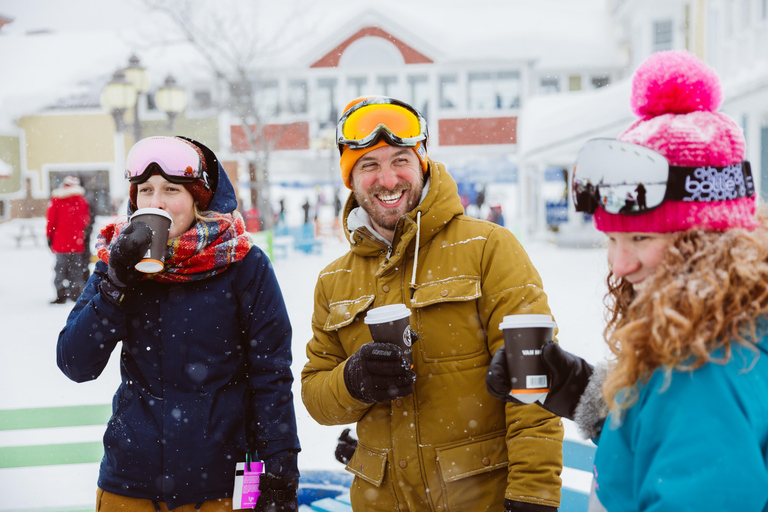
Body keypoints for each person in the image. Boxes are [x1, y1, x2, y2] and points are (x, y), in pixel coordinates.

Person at [486, 51, 768, 510]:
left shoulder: (703, 374)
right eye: (611, 240)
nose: (619, 264)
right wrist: (579, 388)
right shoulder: (726, 326)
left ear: (707, 238)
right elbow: (665, 437)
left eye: (640, 237)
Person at [301, 96, 563, 511]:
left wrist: (533, 494)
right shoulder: (334, 280)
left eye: (400, 160)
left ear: (422, 163)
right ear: (350, 179)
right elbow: (315, 394)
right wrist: (352, 381)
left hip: (478, 499)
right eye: (369, 165)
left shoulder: (487, 247)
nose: (388, 180)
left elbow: (531, 374)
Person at [56, 136, 301, 512]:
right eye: (145, 190)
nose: (156, 202)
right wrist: (117, 286)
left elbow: (271, 375)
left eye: (172, 189)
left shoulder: (244, 264)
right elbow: (76, 363)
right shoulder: (116, 263)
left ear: (198, 198)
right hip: (130, 484)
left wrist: (281, 475)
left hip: (221, 488)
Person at [46, 174, 90, 304]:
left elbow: (51, 221)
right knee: (76, 269)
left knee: (60, 268)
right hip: (77, 242)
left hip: (60, 242)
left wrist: (49, 236)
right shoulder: (82, 201)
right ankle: (76, 293)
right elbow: (85, 221)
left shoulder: (56, 200)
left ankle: (61, 293)